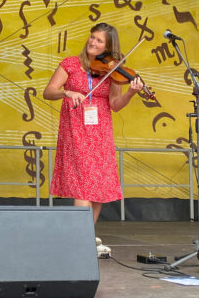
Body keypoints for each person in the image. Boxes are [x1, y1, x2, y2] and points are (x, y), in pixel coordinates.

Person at [42, 22, 144, 258]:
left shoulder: (112, 70)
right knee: (83, 182)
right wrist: (67, 92)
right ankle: (81, 238)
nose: (93, 42)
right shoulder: (70, 63)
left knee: (97, 186)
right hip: (75, 127)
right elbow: (49, 92)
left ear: (109, 47)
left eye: (99, 41)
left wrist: (130, 92)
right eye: (92, 38)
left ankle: (85, 235)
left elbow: (114, 105)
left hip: (100, 130)